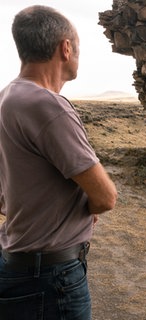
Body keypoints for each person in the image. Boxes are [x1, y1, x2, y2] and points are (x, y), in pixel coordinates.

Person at [0, 5, 117, 320]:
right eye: (77, 47)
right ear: (65, 48)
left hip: (18, 263)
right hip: (53, 276)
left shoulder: (7, 98)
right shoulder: (48, 106)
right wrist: (86, 209)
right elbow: (106, 197)